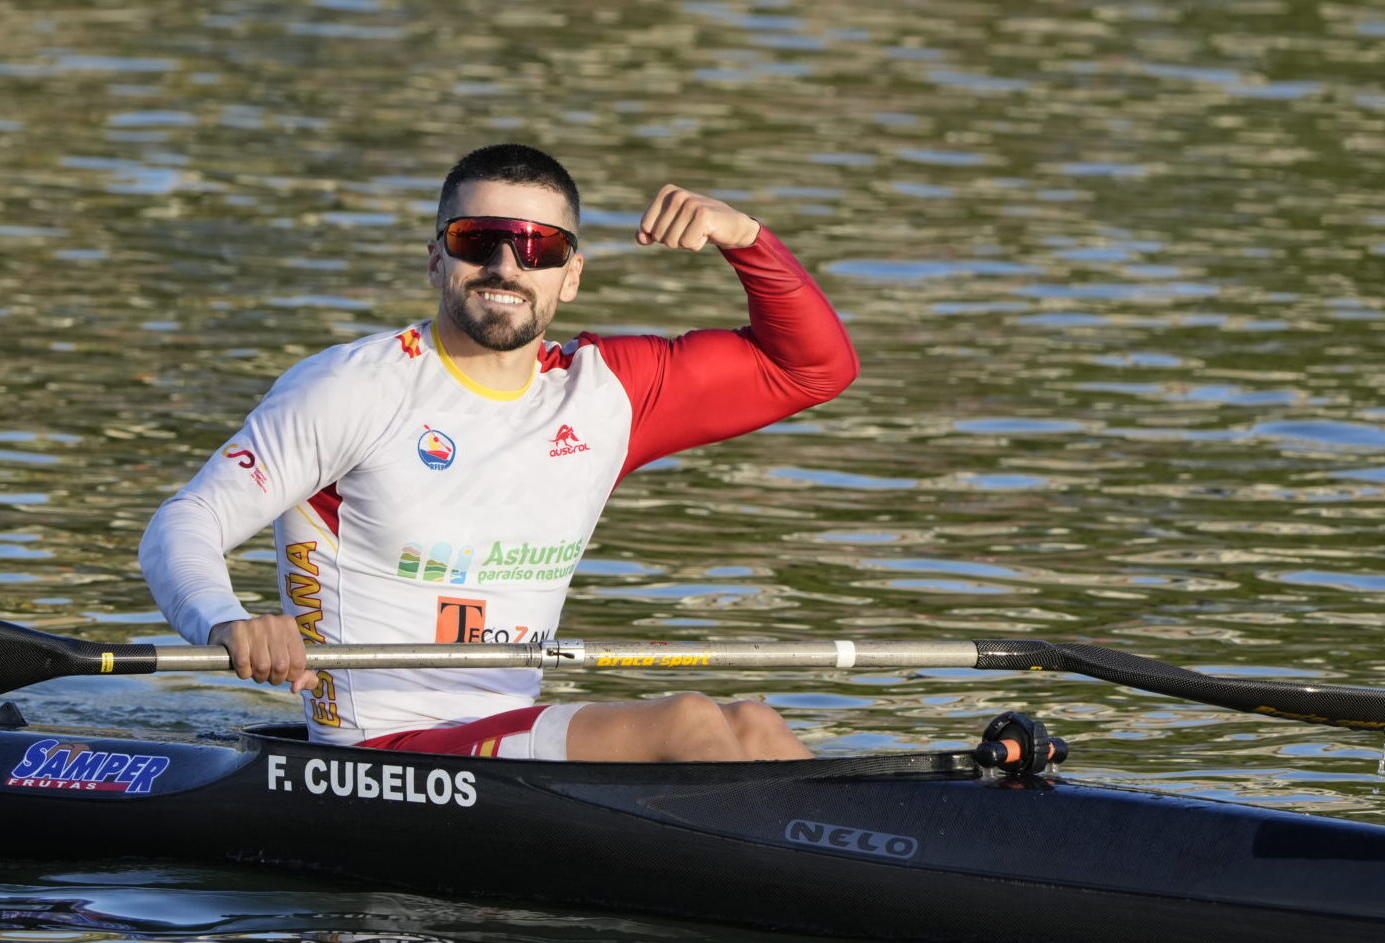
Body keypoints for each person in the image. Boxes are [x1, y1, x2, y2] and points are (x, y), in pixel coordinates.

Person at [140, 144, 857, 762]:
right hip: (383, 750)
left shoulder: (607, 392)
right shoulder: (352, 388)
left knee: (754, 722)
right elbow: (187, 520)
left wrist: (747, 238)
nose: (505, 265)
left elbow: (815, 368)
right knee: (690, 721)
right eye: (476, 239)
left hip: (504, 742)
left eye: (538, 247)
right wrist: (226, 619)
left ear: (568, 276)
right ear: (434, 260)